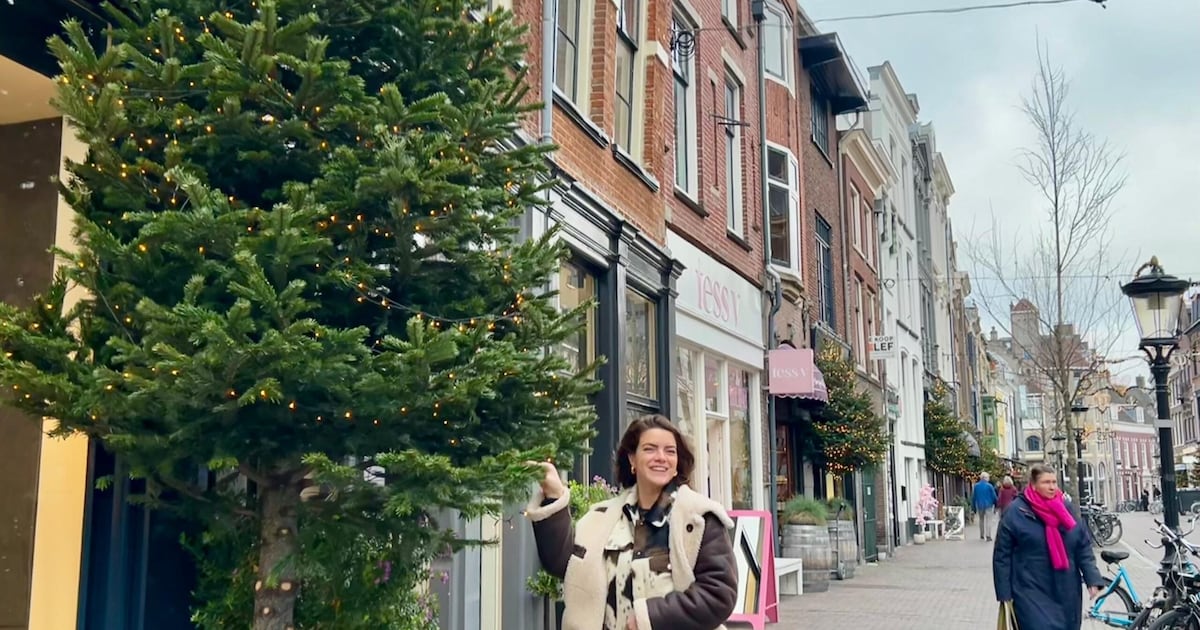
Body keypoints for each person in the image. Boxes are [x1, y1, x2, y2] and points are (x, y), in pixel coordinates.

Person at [526, 414, 737, 630]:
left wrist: (650, 617)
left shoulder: (698, 518)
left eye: (670, 451)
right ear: (632, 459)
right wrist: (554, 494)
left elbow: (719, 594)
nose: (661, 457)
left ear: (677, 463)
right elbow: (564, 564)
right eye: (650, 449)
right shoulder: (602, 518)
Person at [993, 464, 1105, 630]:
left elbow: (1082, 545)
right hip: (1030, 590)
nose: (1052, 487)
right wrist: (1004, 594)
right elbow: (1002, 556)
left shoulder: (1066, 509)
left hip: (1066, 589)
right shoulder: (1016, 512)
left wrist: (1092, 578)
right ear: (1033, 484)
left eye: (1054, 482)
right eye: (1046, 482)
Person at [973, 472, 999, 541]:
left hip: (980, 505)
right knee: (988, 520)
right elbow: (994, 496)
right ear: (985, 478)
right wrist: (996, 504)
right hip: (988, 505)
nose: (988, 479)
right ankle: (988, 535)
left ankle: (981, 534)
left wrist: (973, 507)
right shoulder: (989, 486)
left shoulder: (976, 486)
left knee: (981, 520)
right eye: (988, 477)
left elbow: (974, 497)